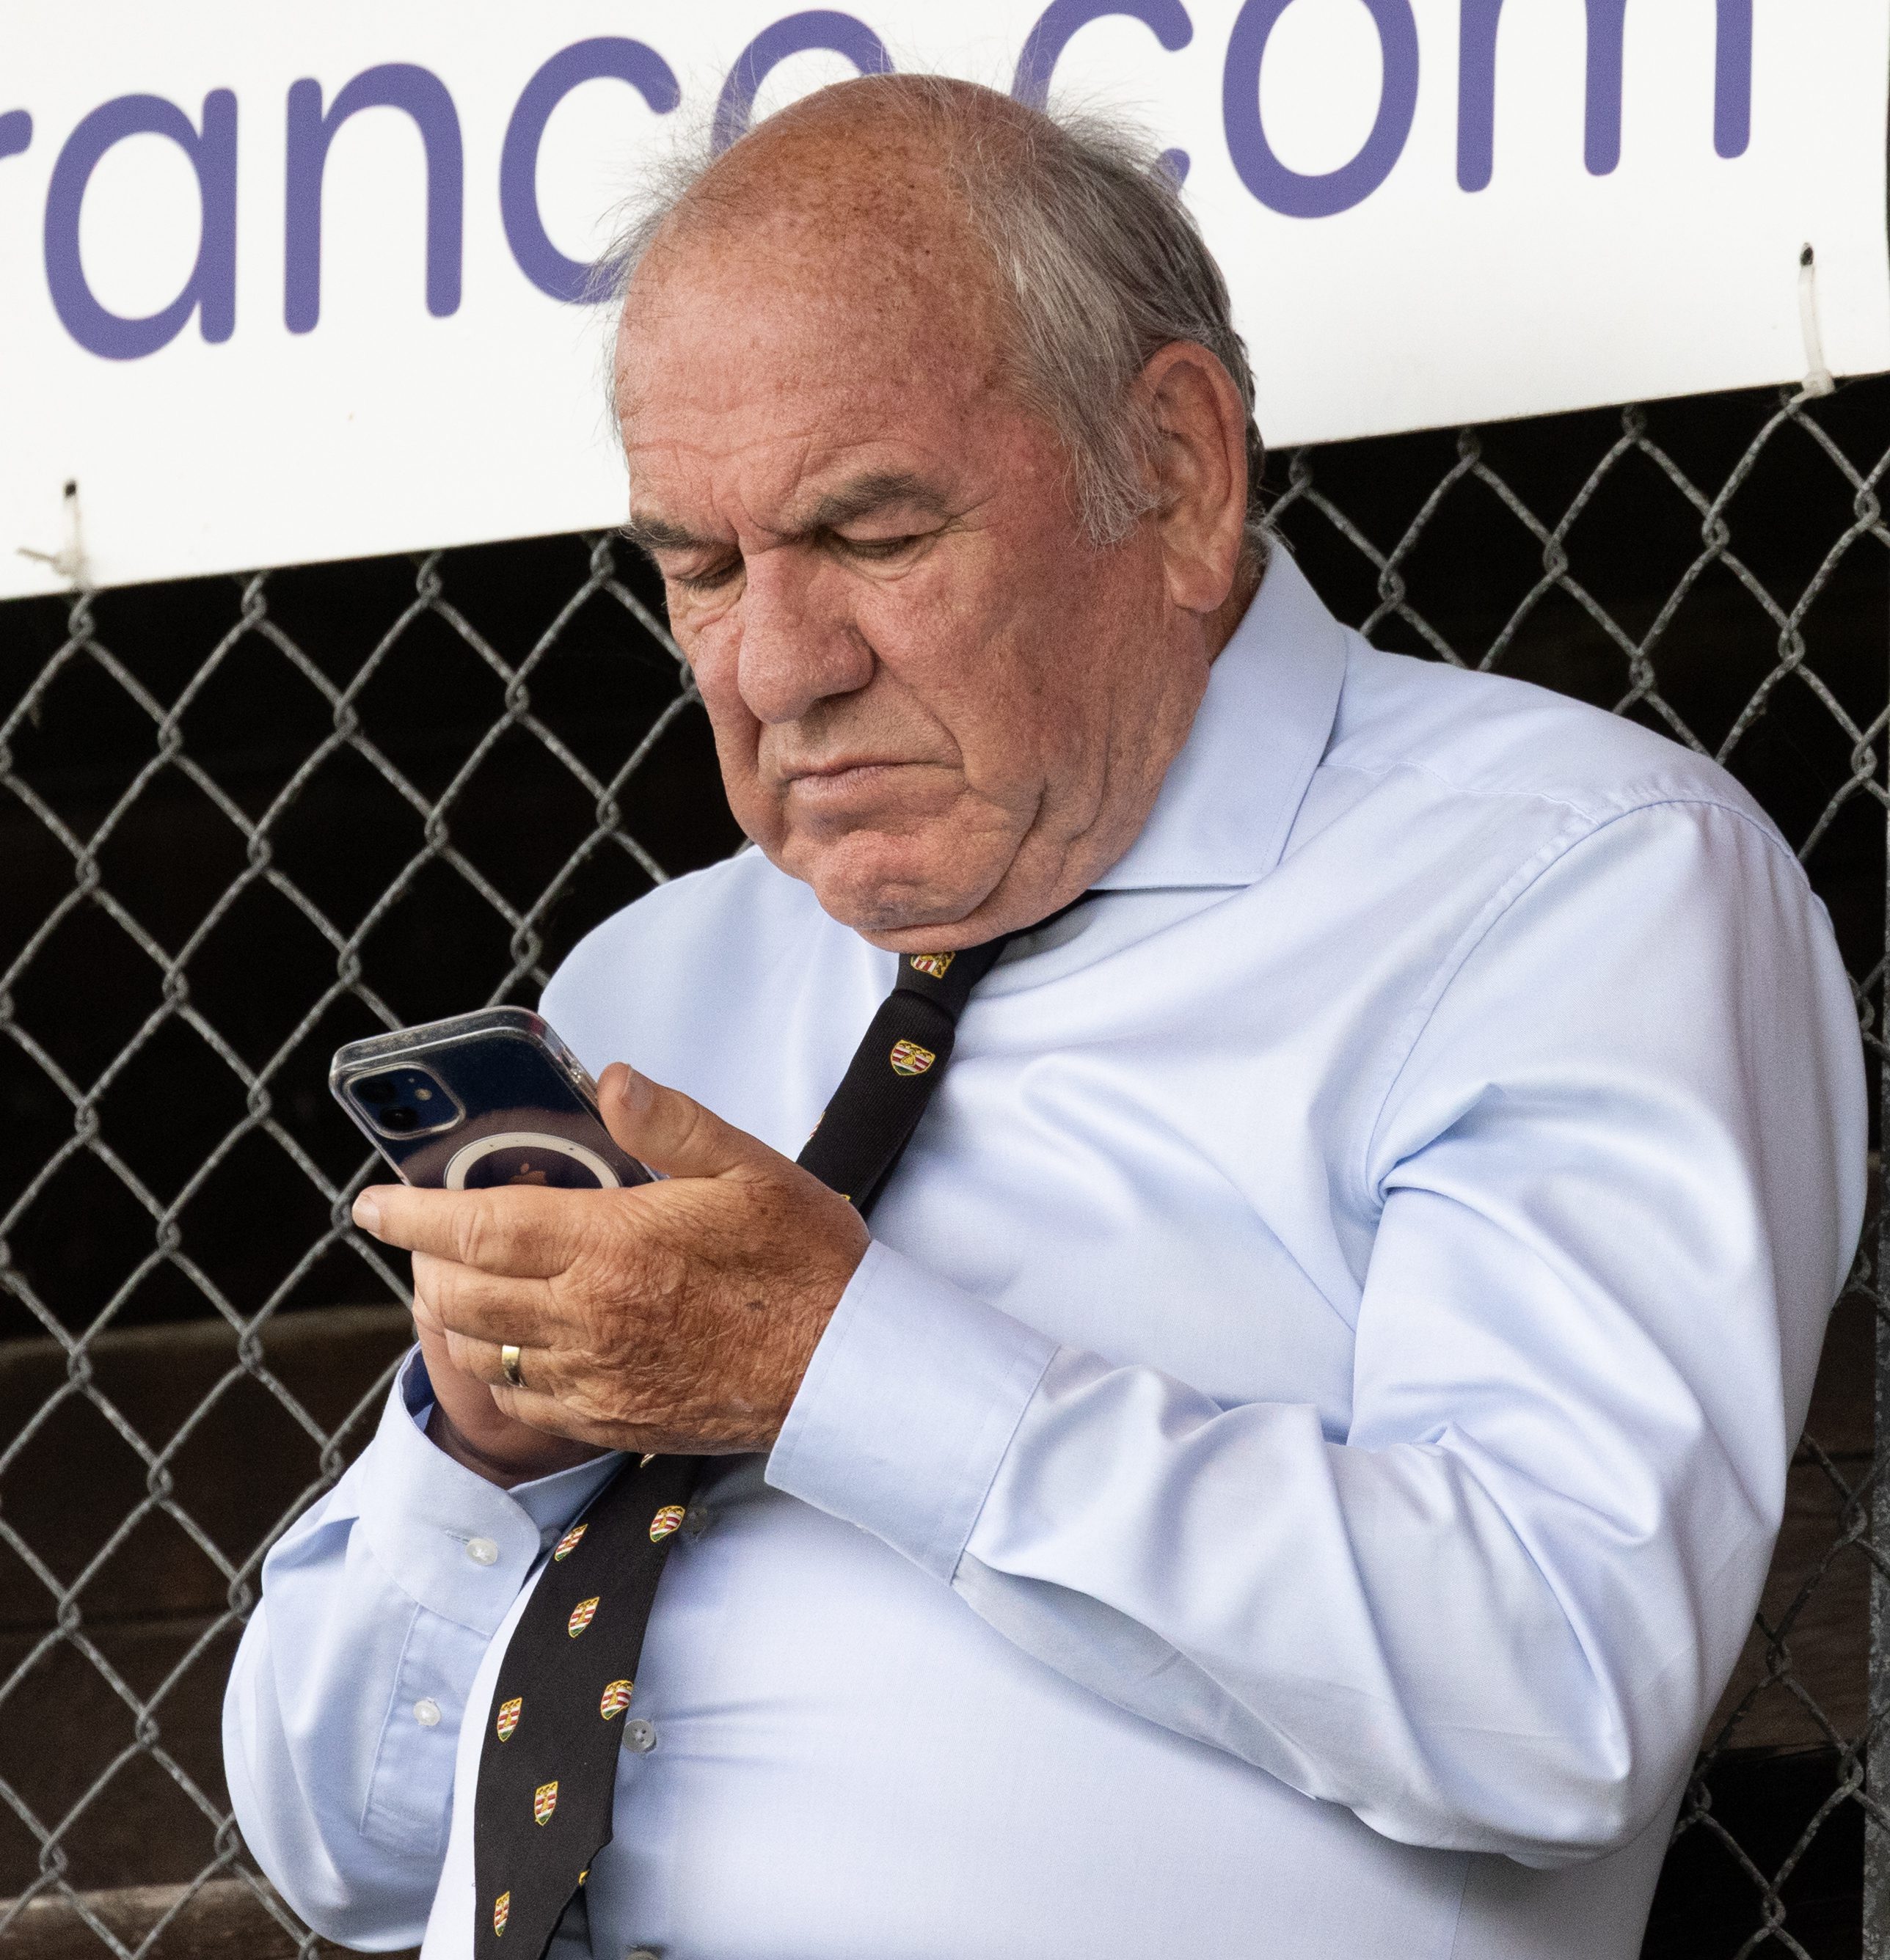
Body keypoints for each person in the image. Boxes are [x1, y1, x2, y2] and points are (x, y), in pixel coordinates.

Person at [223, 75, 1865, 1960]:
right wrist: (484, 1456)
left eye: (873, 532)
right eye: (701, 568)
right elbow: (346, 1851)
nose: (779, 667)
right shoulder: (649, 983)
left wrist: (828, 1363)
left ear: (1172, 472)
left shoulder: (1567, 886)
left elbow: (1560, 1691)